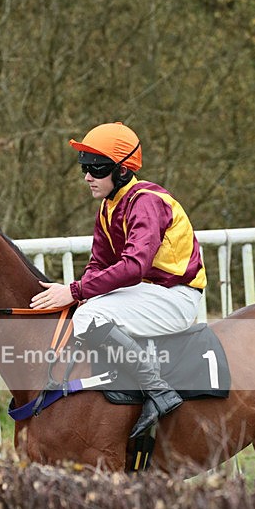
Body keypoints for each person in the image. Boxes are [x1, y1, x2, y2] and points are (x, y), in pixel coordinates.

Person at [30, 121, 207, 438]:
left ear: (123, 171)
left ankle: (160, 392)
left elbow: (134, 266)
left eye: (96, 168)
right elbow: (98, 263)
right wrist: (79, 292)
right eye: (84, 167)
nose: (87, 176)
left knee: (88, 313)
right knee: (82, 309)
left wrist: (75, 291)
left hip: (174, 296)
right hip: (148, 294)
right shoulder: (108, 207)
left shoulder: (147, 202)